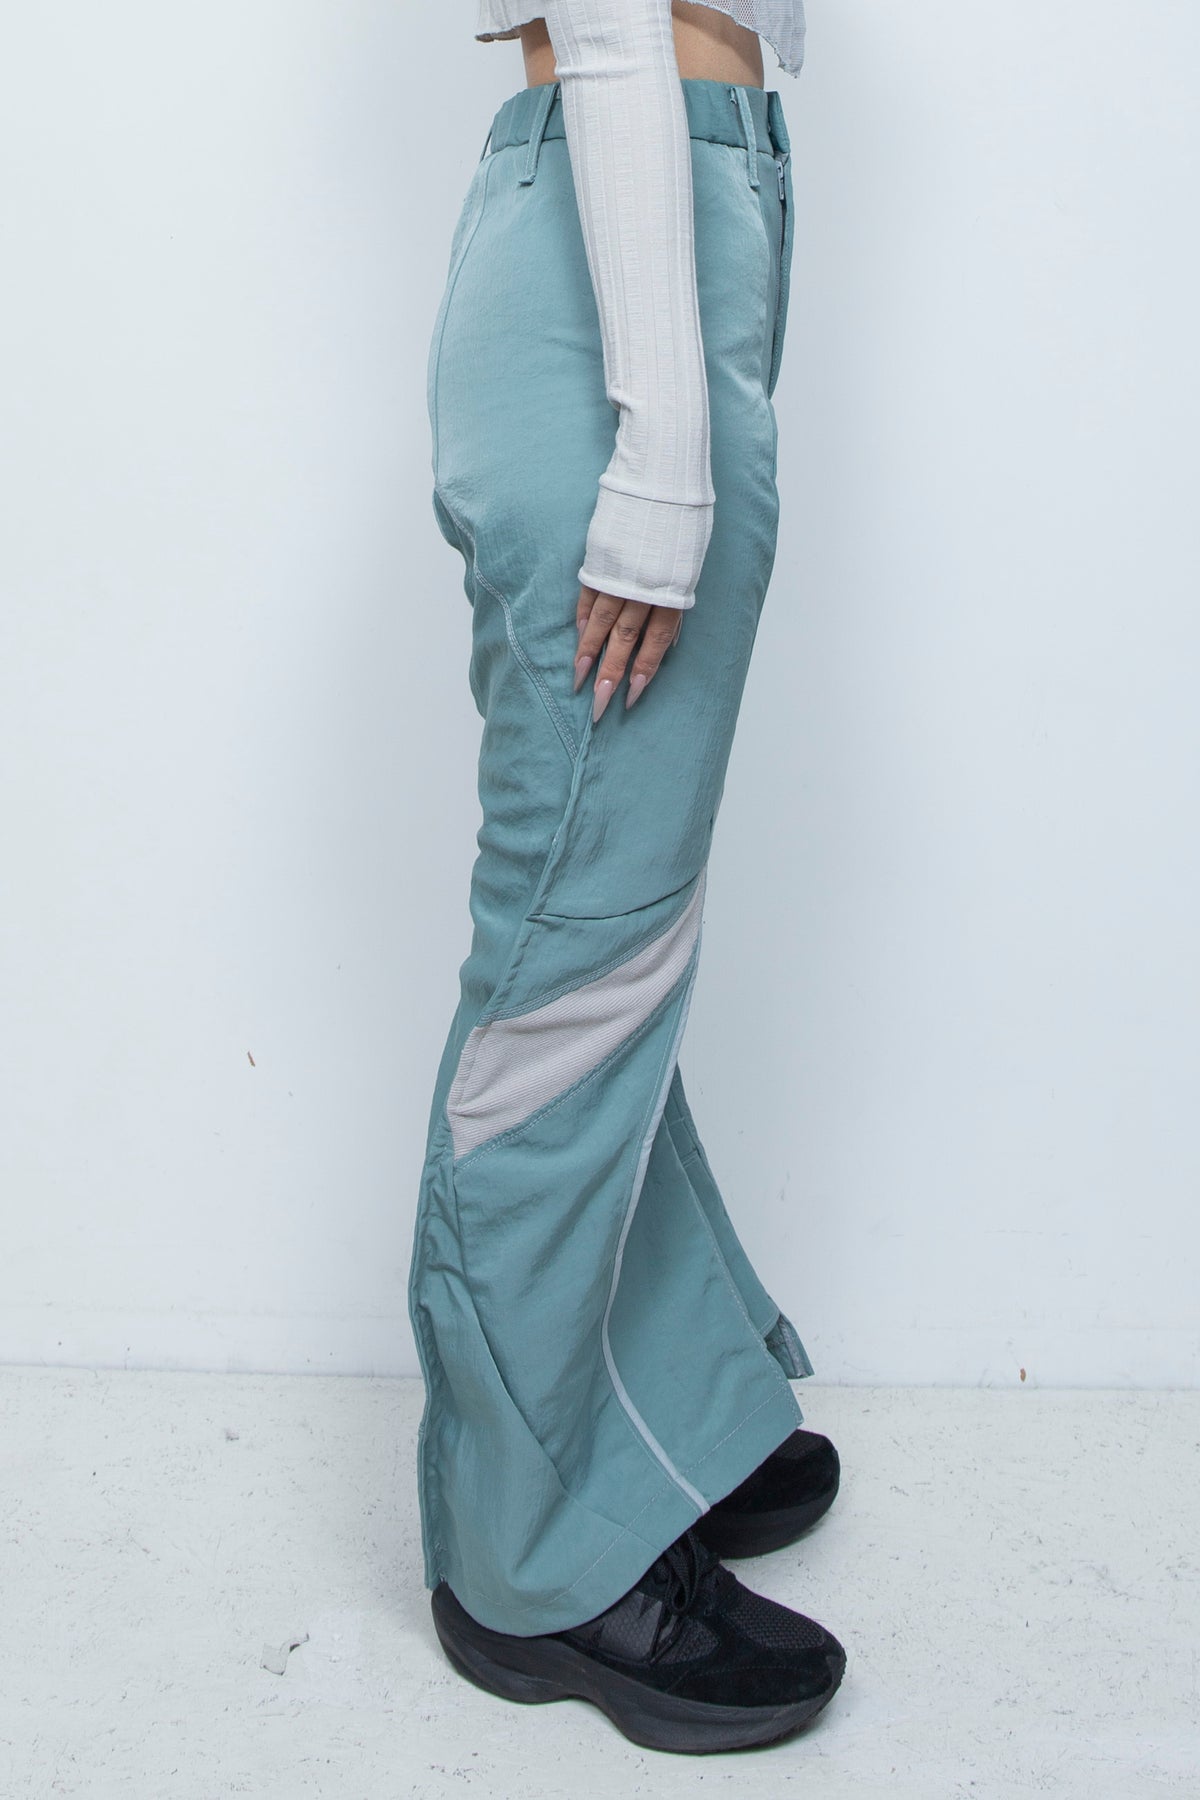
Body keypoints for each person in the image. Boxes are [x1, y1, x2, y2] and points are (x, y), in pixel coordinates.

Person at [408, 0, 846, 1754]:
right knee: (576, 960)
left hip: (655, 216)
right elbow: (608, 15)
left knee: (618, 934)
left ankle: (653, 1415)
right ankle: (531, 1558)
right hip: (618, 251)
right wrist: (663, 452)